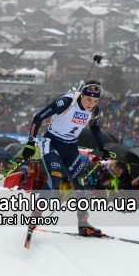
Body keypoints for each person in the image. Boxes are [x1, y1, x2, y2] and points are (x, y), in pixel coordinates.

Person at [22, 80, 111, 237]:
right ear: (81, 94)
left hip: (70, 147)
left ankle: (83, 224)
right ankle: (35, 217)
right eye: (88, 99)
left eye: (95, 101)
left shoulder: (94, 110)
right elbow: (38, 117)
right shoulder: (66, 102)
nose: (91, 104)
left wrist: (102, 147)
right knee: (55, 179)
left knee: (80, 184)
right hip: (52, 143)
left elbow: (95, 128)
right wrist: (30, 143)